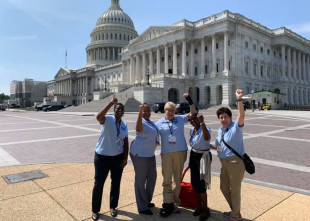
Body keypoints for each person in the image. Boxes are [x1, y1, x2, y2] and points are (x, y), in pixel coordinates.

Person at [155, 93, 197, 217]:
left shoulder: (180, 119)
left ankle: (175, 203)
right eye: (168, 110)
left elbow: (193, 114)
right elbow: (152, 135)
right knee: (167, 179)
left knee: (177, 179)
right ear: (164, 111)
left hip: (180, 151)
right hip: (167, 153)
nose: (170, 112)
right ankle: (167, 203)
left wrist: (189, 100)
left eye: (172, 110)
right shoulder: (158, 123)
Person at [210, 89, 246, 221]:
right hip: (224, 163)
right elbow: (220, 147)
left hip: (235, 163)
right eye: (221, 117)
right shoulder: (221, 130)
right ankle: (235, 210)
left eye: (226, 117)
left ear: (230, 118)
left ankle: (235, 216)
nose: (223, 119)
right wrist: (209, 146)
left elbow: (241, 115)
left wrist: (239, 99)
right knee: (223, 187)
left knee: (235, 190)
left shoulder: (236, 127)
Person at [91, 97, 129, 220]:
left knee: (116, 183)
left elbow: (125, 141)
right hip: (102, 157)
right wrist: (110, 103)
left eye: (122, 109)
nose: (120, 110)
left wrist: (125, 158)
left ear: (124, 112)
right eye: (118, 108)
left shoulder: (124, 124)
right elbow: (98, 117)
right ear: (114, 110)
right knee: (99, 184)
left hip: (117, 158)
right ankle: (95, 210)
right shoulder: (108, 119)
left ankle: (113, 206)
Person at [130, 104, 158, 215]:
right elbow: (138, 129)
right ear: (140, 112)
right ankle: (142, 207)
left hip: (150, 154)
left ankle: (146, 201)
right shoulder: (140, 121)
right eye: (144, 111)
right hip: (140, 154)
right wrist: (139, 112)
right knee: (140, 181)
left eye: (148, 110)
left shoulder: (150, 122)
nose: (146, 112)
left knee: (152, 178)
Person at [188, 113, 212, 221]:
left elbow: (207, 138)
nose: (193, 121)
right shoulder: (191, 131)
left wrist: (202, 123)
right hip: (193, 156)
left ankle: (206, 209)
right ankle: (199, 206)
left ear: (199, 118)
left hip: (203, 156)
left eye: (194, 119)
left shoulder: (205, 128)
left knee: (201, 185)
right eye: (190, 120)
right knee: (194, 183)